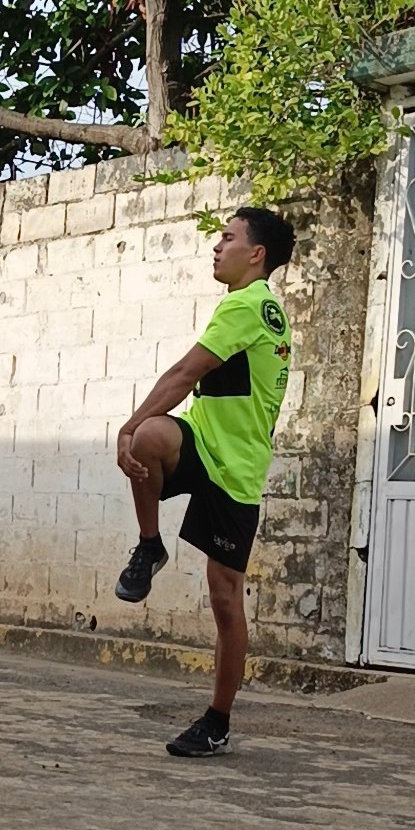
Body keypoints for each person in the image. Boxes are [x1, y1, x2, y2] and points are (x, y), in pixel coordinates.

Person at [114, 204, 295, 758]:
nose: (216, 247)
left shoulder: (249, 305)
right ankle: (149, 546)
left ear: (256, 254)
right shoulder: (254, 307)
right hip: (200, 440)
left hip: (236, 470)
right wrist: (138, 430)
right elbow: (197, 387)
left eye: (227, 238)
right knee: (152, 437)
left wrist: (123, 428)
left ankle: (217, 722)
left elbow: (185, 373)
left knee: (225, 600)